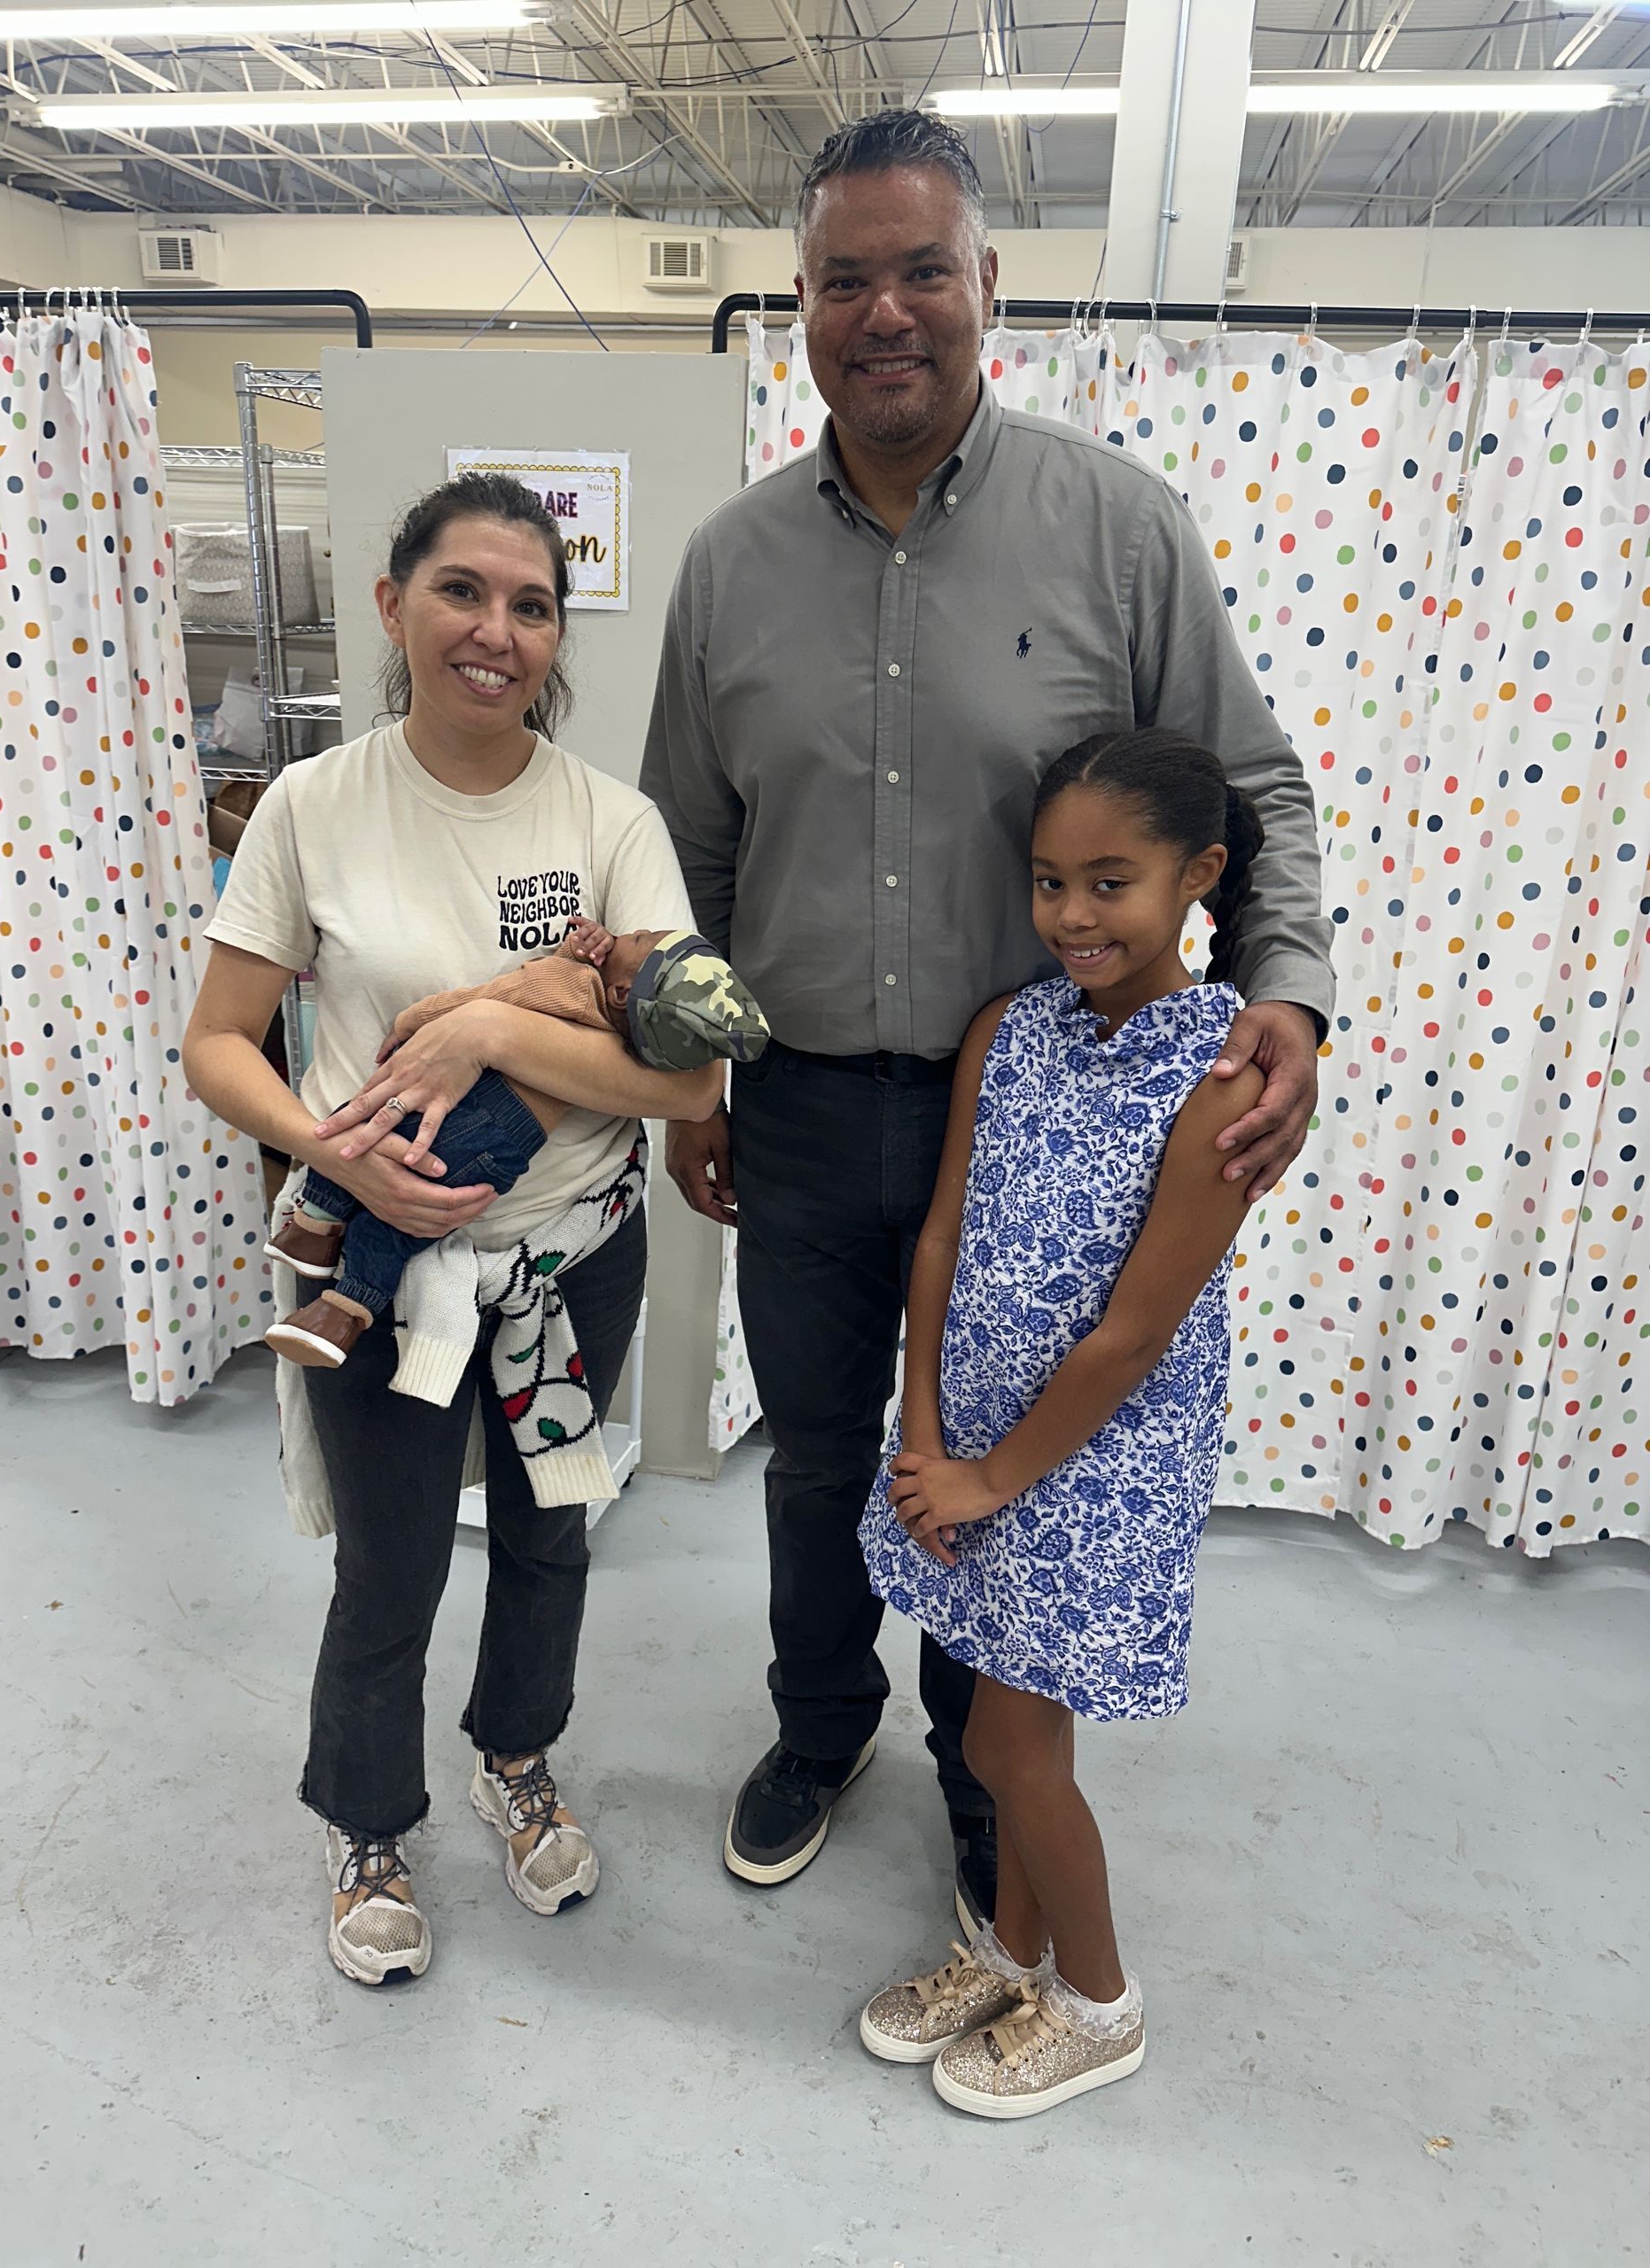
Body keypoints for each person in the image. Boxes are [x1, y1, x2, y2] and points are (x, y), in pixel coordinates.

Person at [641, 111, 1336, 1930]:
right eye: (844, 278)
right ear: (797, 305)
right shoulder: (725, 569)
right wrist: (691, 1080)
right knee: (812, 1456)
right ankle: (819, 1724)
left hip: (1036, 1135)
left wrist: (1292, 998)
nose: (886, 310)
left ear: (985, 290)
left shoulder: (1119, 529)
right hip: (792, 1112)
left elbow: (1249, 784)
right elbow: (687, 855)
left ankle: (982, 1768)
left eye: (920, 271)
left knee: (994, 1471)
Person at [183, 473, 721, 1987]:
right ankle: (367, 1821)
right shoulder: (314, 807)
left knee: (554, 1535)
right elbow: (221, 1042)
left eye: (532, 604)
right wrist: (340, 1145)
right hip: (386, 1269)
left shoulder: (611, 826)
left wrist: (485, 1029)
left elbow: (688, 1073)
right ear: (394, 607)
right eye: (463, 592)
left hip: (568, 1262)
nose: (497, 630)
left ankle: (517, 1760)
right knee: (395, 1561)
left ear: (559, 634)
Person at [853, 728, 1267, 2118]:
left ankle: (1098, 2001)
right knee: (1006, 1726)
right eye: (1049, 884)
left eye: (1113, 882)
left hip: (1090, 1467)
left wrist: (996, 1479)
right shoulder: (1009, 1029)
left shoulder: (1224, 1077)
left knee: (1004, 1745)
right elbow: (942, 1238)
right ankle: (1006, 1951)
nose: (1076, 917)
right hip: (964, 1445)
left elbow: (1135, 1329)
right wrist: (923, 1433)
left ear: (1199, 876)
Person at [263, 919, 768, 1367]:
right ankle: (344, 1312)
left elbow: (488, 1000)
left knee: (355, 1132)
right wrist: (598, 944)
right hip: (516, 1144)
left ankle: (314, 1229)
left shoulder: (566, 984)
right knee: (398, 1226)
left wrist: (412, 1022)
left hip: (471, 1115)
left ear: (618, 991)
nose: (631, 930)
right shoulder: (635, 1045)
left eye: (638, 939)